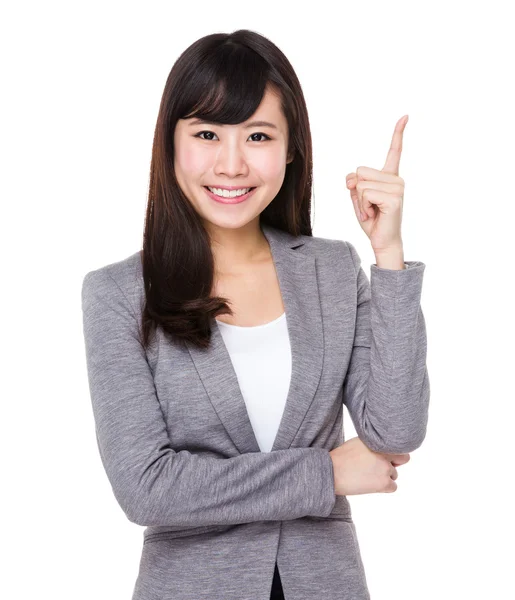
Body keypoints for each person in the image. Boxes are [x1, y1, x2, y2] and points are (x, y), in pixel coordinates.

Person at [81, 29, 429, 600]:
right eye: (207, 133)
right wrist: (325, 475)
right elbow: (147, 489)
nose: (232, 163)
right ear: (171, 144)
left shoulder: (334, 270)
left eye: (258, 135)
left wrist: (387, 258)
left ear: (291, 149)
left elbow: (394, 433)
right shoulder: (119, 294)